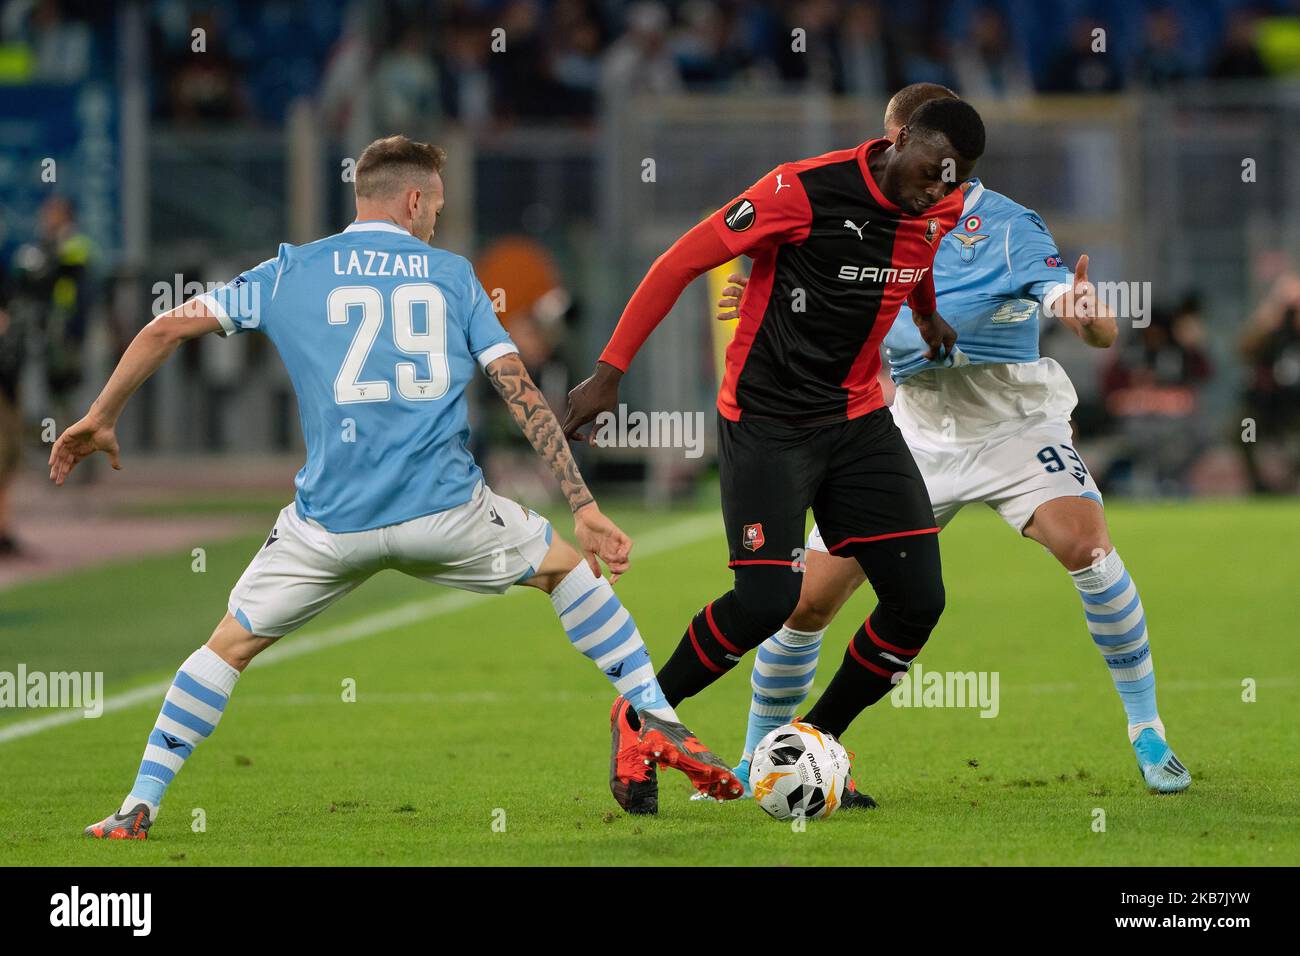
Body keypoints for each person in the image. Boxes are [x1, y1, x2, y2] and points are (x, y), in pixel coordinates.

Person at [51, 135, 739, 839]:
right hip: (445, 511)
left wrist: (101, 416)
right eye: (435, 205)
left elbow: (168, 327)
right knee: (567, 572)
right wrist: (584, 505)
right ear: (413, 200)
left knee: (226, 648)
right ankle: (654, 715)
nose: (436, 218)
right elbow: (517, 389)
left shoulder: (291, 270)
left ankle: (139, 804)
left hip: (328, 526)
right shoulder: (451, 275)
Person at [718, 85, 1190, 799]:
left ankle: (1147, 731)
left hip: (1010, 419)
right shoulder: (868, 217)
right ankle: (759, 756)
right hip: (910, 429)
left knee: (1084, 545)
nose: (880, 155)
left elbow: (1070, 301)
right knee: (806, 602)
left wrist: (1092, 320)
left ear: (923, 144)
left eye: (891, 141)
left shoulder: (1006, 225)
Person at [565, 97, 986, 813]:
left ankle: (813, 743)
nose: (939, 190)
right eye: (931, 170)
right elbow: (680, 262)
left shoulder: (937, 206)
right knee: (768, 600)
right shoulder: (800, 190)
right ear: (898, 137)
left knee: (919, 601)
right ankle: (639, 714)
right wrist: (609, 371)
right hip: (768, 421)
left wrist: (927, 316)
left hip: (857, 417)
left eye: (953, 181)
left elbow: (916, 261)